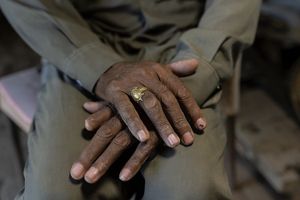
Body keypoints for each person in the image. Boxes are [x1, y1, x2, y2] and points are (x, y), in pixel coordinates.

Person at [0, 0, 260, 199]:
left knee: (190, 190)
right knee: (52, 193)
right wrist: (101, 69)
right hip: (79, 40)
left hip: (185, 52)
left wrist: (167, 95)